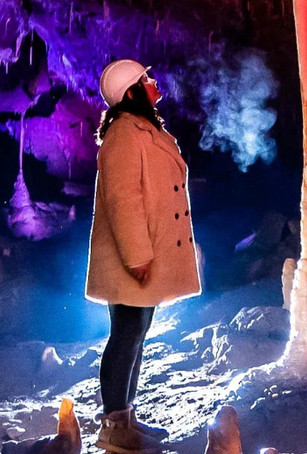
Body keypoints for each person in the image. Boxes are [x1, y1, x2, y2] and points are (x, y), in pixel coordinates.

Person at [84, 59, 202, 454]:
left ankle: (126, 418)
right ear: (132, 91)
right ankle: (114, 427)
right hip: (133, 257)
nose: (154, 82)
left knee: (136, 334)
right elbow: (123, 199)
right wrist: (137, 255)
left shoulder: (143, 129)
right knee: (126, 335)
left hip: (146, 254)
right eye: (145, 79)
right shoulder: (123, 134)